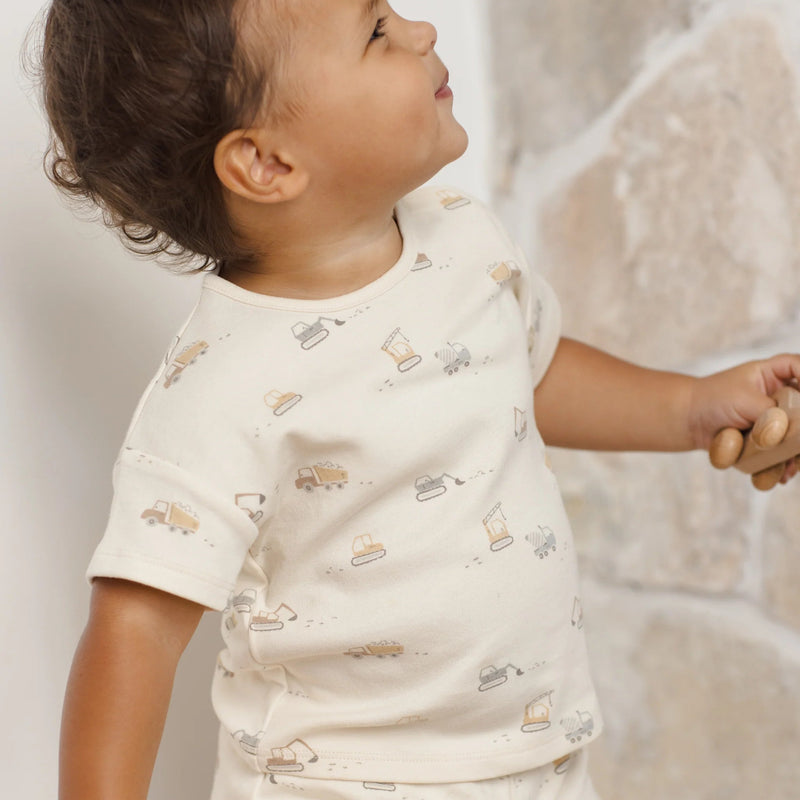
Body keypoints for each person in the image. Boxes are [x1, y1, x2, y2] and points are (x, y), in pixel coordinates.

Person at [38, 2, 799, 799]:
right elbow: (136, 631)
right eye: (375, 32)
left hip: (538, 756)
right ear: (267, 163)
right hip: (344, 782)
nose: (421, 30)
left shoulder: (461, 240)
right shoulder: (221, 388)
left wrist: (689, 408)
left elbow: (526, 374)